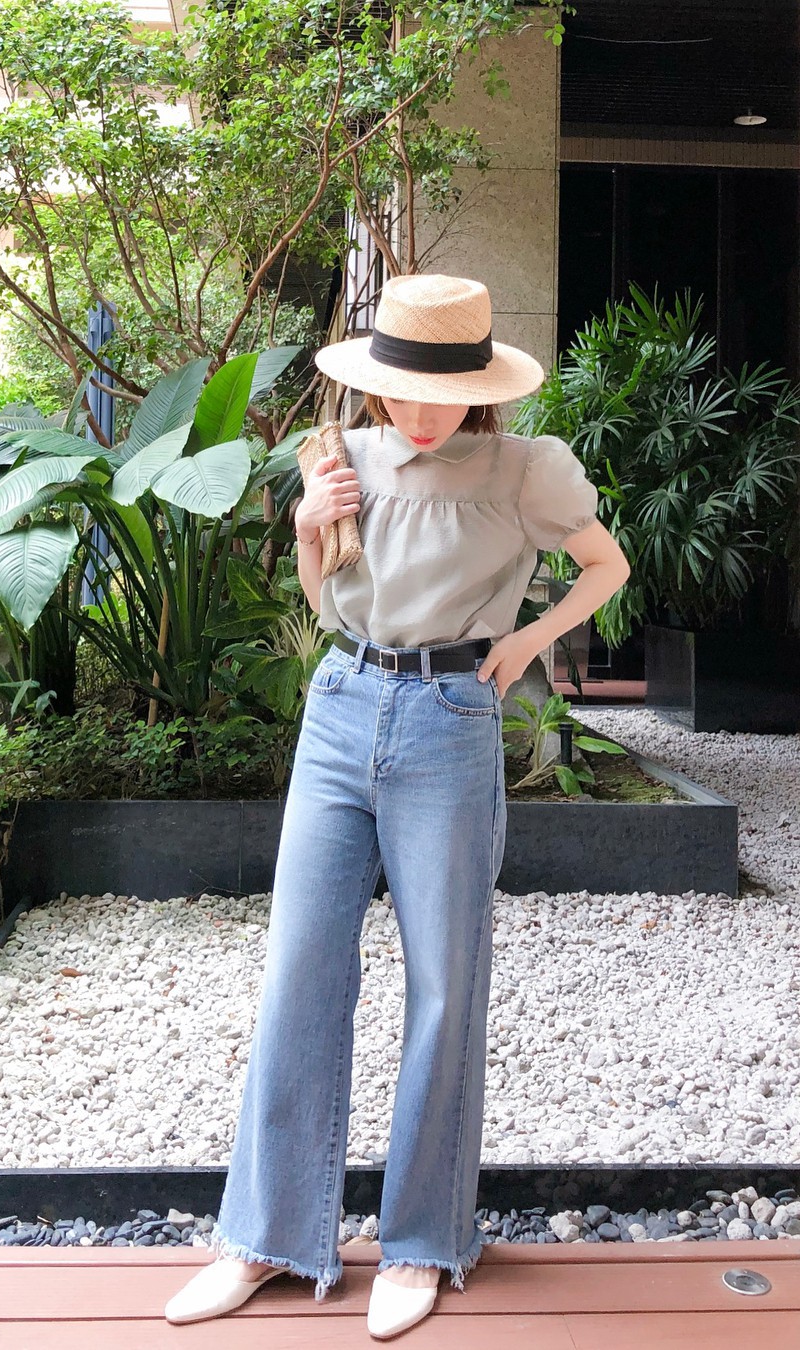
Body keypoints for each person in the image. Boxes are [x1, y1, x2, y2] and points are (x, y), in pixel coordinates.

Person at [164, 273, 632, 1339]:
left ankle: (422, 1240)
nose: (422, 413)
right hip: (338, 708)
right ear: (375, 384)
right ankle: (268, 1237)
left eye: (447, 392)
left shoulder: (526, 469)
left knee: (444, 985)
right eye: (404, 390)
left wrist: (525, 642)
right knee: (299, 968)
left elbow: (606, 565)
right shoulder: (341, 456)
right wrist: (307, 527)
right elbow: (325, 597)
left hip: (449, 721)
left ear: (481, 387)